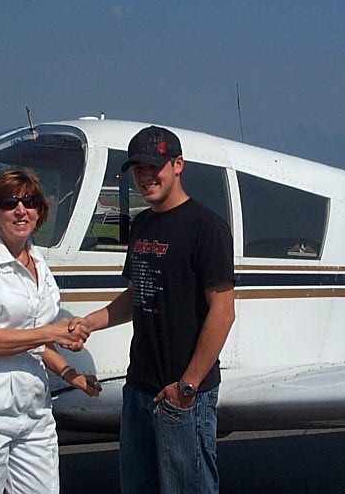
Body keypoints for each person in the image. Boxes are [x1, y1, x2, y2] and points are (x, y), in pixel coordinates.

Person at [72, 126, 236, 494]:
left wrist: (187, 387)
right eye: (138, 168)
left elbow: (223, 313)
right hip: (139, 390)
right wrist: (90, 323)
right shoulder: (143, 224)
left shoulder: (207, 228)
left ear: (178, 165)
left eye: (154, 166)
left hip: (182, 395)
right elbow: (138, 294)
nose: (146, 176)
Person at [0, 169, 101, 494]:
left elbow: (37, 343)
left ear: (40, 212)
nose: (20, 209)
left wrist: (72, 376)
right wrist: (53, 333)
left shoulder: (40, 265)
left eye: (29, 201)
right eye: (9, 202)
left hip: (33, 409)